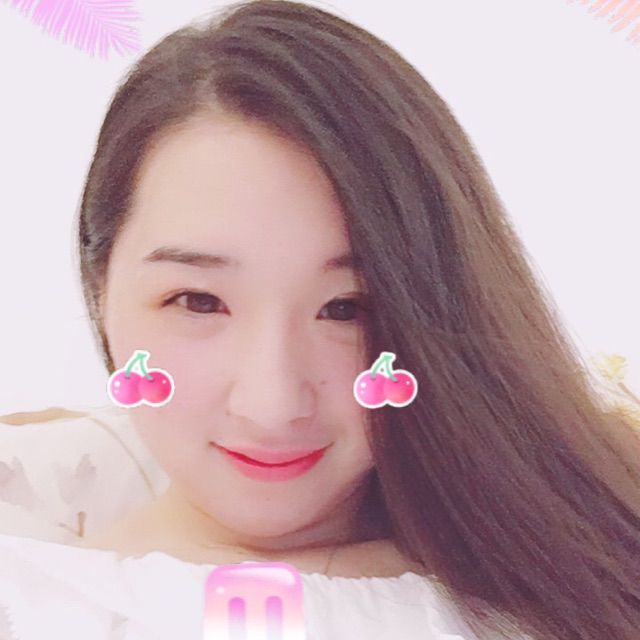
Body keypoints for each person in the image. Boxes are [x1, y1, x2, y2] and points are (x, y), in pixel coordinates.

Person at [1, 1, 640, 638]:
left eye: (346, 308)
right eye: (198, 301)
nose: (273, 405)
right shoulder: (40, 607)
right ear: (100, 289)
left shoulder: (581, 566)